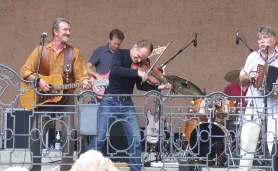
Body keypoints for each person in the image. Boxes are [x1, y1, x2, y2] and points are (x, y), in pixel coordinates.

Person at [87, 39, 172, 171]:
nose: (138, 60)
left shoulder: (143, 64)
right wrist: (137, 72)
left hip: (127, 104)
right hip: (110, 101)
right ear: (134, 47)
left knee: (136, 138)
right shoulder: (120, 54)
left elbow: (140, 85)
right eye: (138, 56)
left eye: (142, 59)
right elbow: (115, 71)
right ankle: (86, 167)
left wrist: (158, 87)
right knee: (100, 137)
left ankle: (135, 169)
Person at [20, 18, 91, 171]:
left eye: (69, 30)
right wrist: (38, 80)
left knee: (70, 134)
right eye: (65, 30)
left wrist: (85, 82)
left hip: (67, 98)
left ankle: (65, 168)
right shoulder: (41, 50)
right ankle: (36, 167)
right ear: (56, 32)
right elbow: (24, 71)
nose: (68, 33)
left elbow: (82, 76)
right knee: (36, 133)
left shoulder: (74, 53)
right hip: (45, 99)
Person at [237, 26, 278, 171]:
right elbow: (241, 77)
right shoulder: (253, 57)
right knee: (247, 141)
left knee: (277, 143)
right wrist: (251, 77)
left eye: (265, 37)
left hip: (276, 106)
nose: (262, 41)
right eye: (259, 38)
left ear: (274, 39)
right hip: (255, 105)